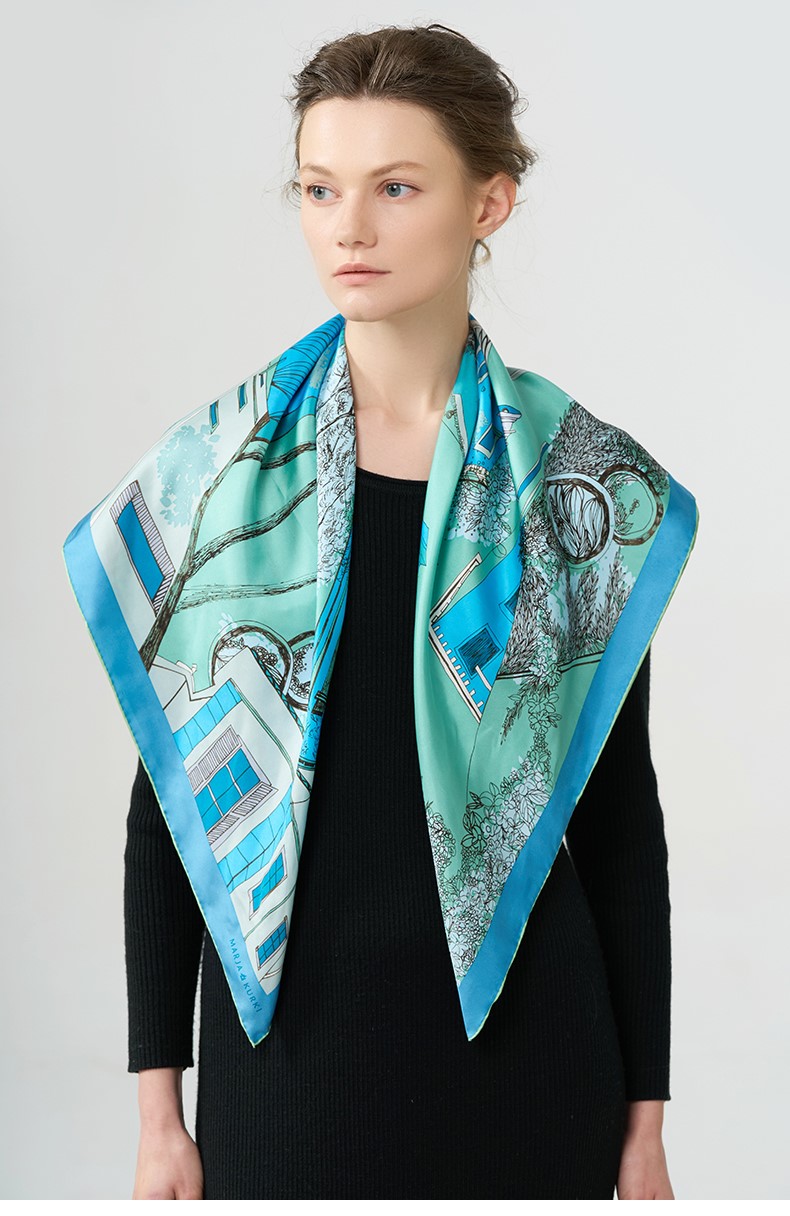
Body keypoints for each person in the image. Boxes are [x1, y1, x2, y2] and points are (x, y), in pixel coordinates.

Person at [112, 22, 685, 1200]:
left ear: (489, 202)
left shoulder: (573, 486)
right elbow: (169, 807)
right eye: (320, 188)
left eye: (396, 187)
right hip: (290, 1075)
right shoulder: (220, 478)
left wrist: (643, 1126)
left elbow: (619, 821)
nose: (348, 228)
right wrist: (158, 1110)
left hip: (535, 1076)